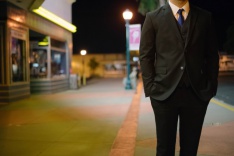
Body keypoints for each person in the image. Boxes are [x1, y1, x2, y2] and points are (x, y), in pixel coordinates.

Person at [139, 0, 219, 155]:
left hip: (196, 93)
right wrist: (151, 87)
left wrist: (211, 86)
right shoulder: (153, 18)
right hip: (163, 93)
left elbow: (212, 56)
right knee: (164, 149)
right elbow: (146, 56)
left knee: (190, 149)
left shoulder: (205, 17)